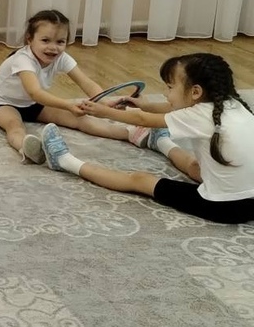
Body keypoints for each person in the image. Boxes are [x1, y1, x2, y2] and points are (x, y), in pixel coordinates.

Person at [41, 53, 254, 224]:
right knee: (194, 167)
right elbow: (165, 110)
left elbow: (142, 120)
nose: (166, 94)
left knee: (140, 180)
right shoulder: (231, 104)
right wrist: (145, 105)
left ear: (196, 92)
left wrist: (102, 111)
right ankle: (161, 142)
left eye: (170, 87)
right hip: (251, 201)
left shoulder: (198, 115)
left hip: (224, 207)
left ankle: (65, 161)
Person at [0, 9, 148, 164]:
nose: (53, 47)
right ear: (29, 39)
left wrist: (104, 100)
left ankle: (130, 134)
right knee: (14, 126)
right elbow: (35, 92)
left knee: (80, 120)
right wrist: (68, 105)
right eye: (45, 40)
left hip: (34, 104)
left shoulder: (62, 58)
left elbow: (86, 82)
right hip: (4, 104)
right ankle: (26, 149)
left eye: (60, 42)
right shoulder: (22, 60)